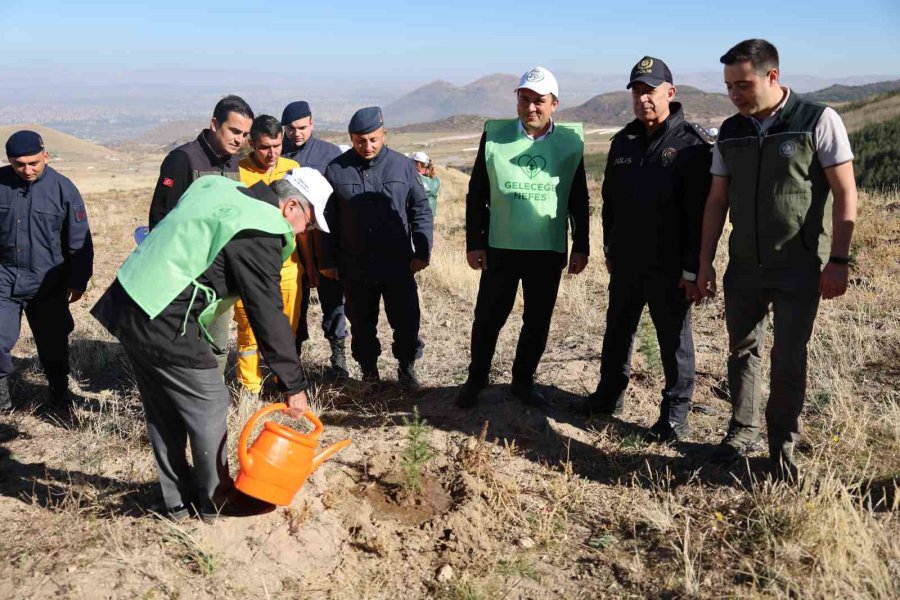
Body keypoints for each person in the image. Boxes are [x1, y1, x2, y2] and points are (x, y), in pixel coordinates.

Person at [91, 172, 331, 520]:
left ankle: (176, 502)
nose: (302, 234)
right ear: (291, 205)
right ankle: (216, 500)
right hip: (164, 316)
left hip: (130, 298)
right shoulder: (260, 226)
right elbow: (266, 312)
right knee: (210, 401)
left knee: (163, 407)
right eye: (307, 225)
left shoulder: (221, 188)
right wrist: (293, 384)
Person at [696, 39, 858, 480]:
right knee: (742, 350)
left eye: (743, 85)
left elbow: (845, 193)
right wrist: (705, 261)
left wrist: (839, 260)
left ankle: (782, 447)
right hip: (744, 265)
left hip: (799, 265)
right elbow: (716, 201)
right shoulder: (731, 131)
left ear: (772, 76)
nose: (735, 95)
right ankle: (741, 430)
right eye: (729, 86)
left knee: (789, 357)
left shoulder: (817, 120)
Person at [583, 57, 714, 443]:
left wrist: (693, 268)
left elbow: (699, 216)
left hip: (669, 266)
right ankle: (609, 396)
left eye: (651, 90)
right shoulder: (624, 141)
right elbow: (608, 200)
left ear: (670, 94)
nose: (643, 98)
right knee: (617, 331)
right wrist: (608, 247)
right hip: (626, 261)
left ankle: (675, 416)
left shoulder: (691, 145)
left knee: (673, 341)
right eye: (637, 91)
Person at [457, 66, 590, 408]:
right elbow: (477, 193)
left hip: (546, 249)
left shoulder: (569, 142)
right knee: (488, 317)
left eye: (539, 101)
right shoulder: (495, 137)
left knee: (537, 320)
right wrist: (475, 242)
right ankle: (476, 379)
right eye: (524, 99)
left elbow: (578, 197)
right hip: (501, 246)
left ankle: (522, 382)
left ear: (554, 104)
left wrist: (582, 244)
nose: (531, 107)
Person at [321, 106, 433, 388]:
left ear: (384, 133)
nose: (367, 146)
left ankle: (406, 368)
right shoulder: (336, 169)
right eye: (360, 141)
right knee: (361, 325)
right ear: (351, 138)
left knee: (407, 321)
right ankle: (369, 371)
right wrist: (327, 259)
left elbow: (420, 208)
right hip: (355, 265)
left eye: (373, 139)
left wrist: (422, 251)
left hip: (397, 263)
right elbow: (326, 219)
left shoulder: (403, 166)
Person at [147, 95, 254, 375]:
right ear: (214, 123)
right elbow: (161, 219)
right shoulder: (182, 160)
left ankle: (211, 401)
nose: (239, 140)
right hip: (186, 275)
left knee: (217, 345)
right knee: (183, 344)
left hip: (220, 275)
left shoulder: (232, 163)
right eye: (234, 131)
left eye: (244, 134)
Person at [0, 131, 94, 412]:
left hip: (48, 282)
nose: (27, 170)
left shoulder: (64, 190)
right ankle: (2, 407)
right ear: (9, 161)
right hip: (4, 278)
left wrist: (78, 281)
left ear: (46, 156)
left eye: (33, 163)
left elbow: (79, 240)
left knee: (53, 345)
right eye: (19, 164)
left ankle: (59, 395)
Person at [234, 116, 307, 398]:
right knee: (249, 330)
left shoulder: (293, 169)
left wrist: (309, 265)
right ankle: (249, 390)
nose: (272, 153)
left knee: (286, 330)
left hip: (288, 267)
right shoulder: (237, 172)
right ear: (252, 144)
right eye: (265, 147)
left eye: (277, 146)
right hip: (250, 269)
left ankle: (284, 386)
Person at [281, 101, 348, 377]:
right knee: (294, 304)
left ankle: (338, 357)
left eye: (302, 127)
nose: (297, 133)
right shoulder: (279, 155)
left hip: (325, 242)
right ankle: (292, 358)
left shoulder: (330, 155)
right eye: (291, 129)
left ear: (312, 123)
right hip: (291, 247)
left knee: (333, 302)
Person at [411, 151, 441, 219]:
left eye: (412, 162)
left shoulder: (416, 179)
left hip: (419, 216)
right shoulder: (436, 180)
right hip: (432, 215)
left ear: (418, 164)